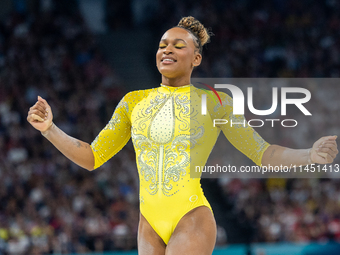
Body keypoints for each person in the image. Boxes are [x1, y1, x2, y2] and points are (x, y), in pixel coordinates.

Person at [27, 16, 338, 255]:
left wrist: (309, 155)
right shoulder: (133, 102)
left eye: (178, 45)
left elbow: (263, 153)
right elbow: (92, 157)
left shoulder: (215, 102)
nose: (167, 50)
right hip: (148, 222)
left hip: (191, 216)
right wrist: (49, 129)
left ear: (196, 58)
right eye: (163, 44)